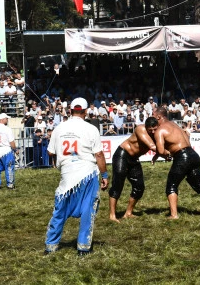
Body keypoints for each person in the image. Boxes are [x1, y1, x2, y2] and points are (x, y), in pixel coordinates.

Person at [44, 97, 109, 256]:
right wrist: (105, 175)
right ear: (85, 112)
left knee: (59, 211)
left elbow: (50, 152)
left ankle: (51, 246)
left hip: (67, 174)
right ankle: (83, 247)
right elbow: (99, 154)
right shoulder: (91, 129)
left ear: (70, 110)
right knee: (88, 211)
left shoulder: (59, 128)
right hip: (87, 173)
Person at [150, 108, 200, 219]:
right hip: (193, 155)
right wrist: (159, 155)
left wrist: (166, 155)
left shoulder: (160, 130)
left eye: (152, 114)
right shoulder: (175, 125)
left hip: (182, 157)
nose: (151, 116)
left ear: (158, 117)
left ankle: (174, 215)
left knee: (171, 185)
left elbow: (161, 150)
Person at [108, 118, 158, 222]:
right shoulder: (140, 129)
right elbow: (152, 146)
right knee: (117, 184)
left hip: (134, 159)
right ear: (146, 128)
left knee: (139, 187)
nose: (153, 132)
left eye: (155, 129)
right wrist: (167, 153)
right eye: (150, 130)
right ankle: (112, 215)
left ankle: (128, 213)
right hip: (122, 155)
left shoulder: (157, 134)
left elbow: (161, 146)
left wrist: (157, 155)